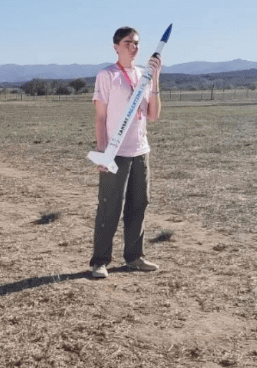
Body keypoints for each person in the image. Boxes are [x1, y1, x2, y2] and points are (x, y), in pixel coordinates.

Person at [89, 26, 162, 279]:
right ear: (116, 46)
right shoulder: (107, 75)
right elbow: (100, 118)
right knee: (110, 206)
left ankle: (134, 257)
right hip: (115, 153)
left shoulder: (144, 75)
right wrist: (103, 153)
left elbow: (153, 116)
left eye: (137, 43)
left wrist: (156, 78)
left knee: (139, 204)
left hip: (140, 151)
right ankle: (100, 261)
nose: (135, 47)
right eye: (129, 42)